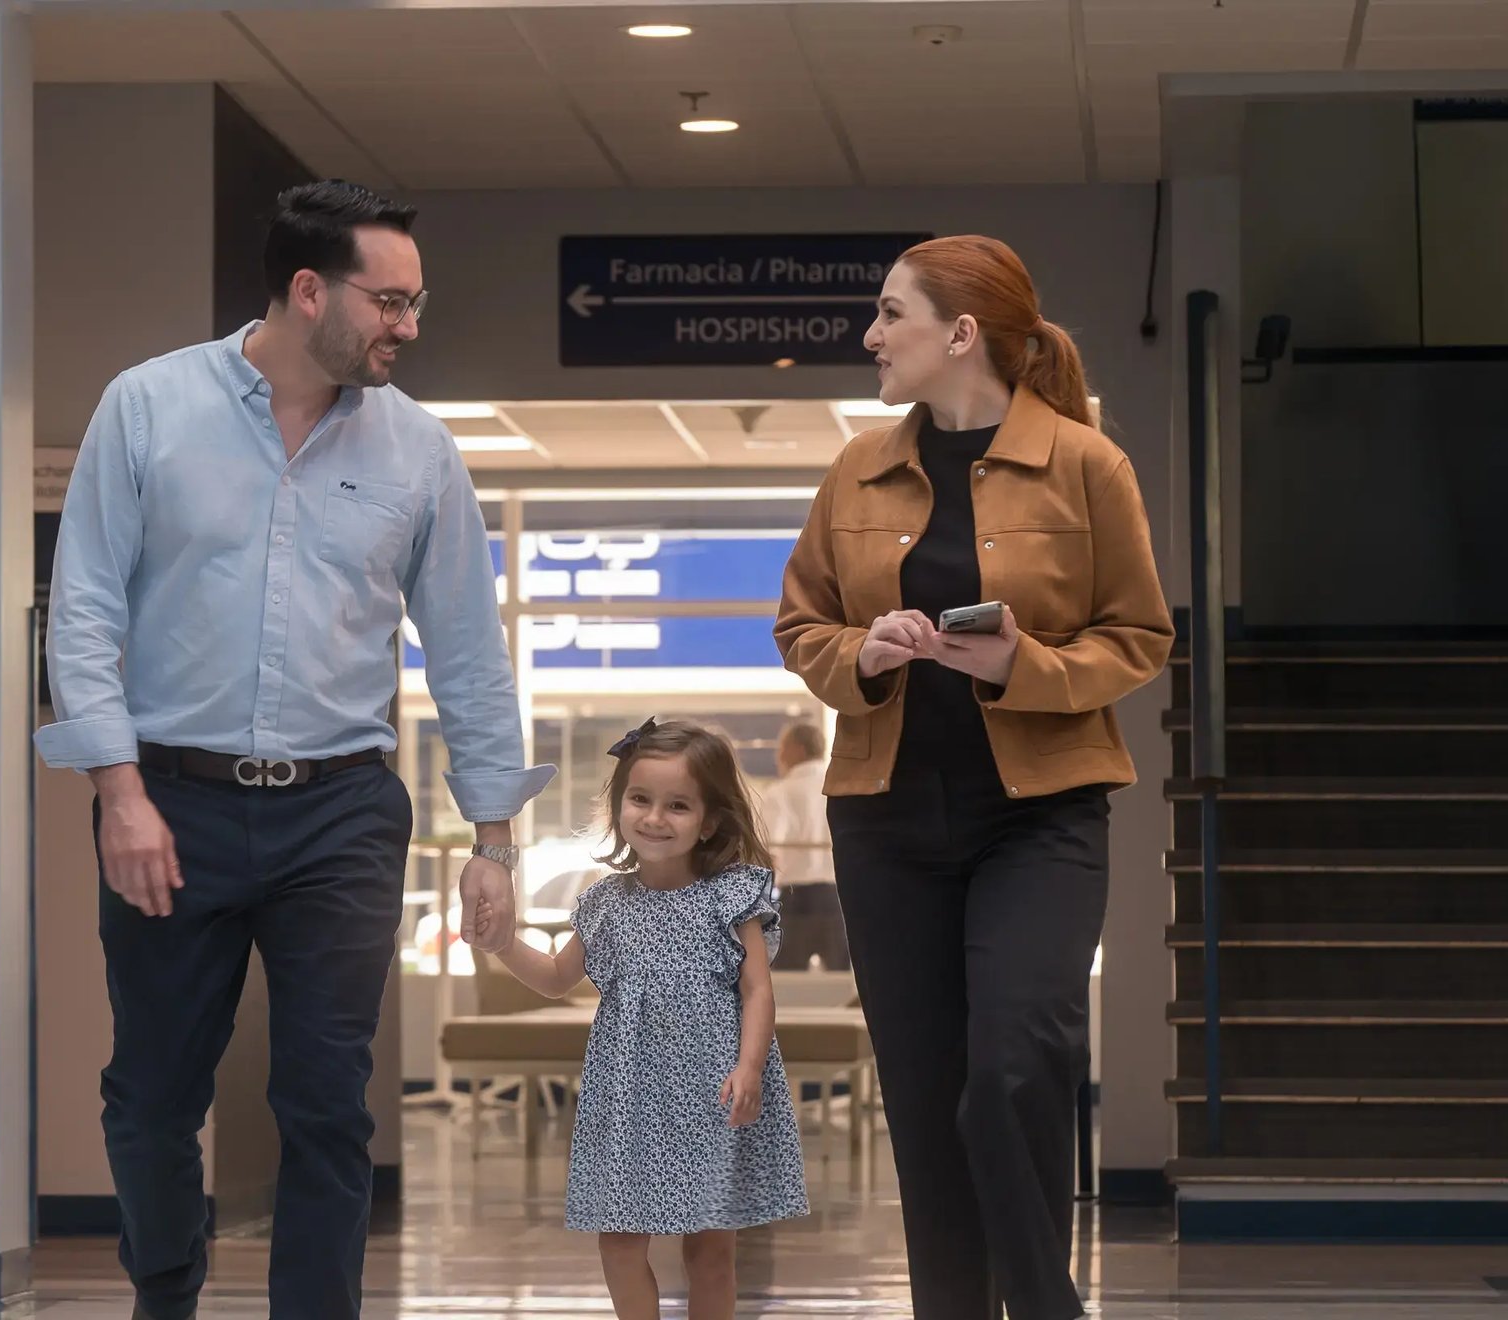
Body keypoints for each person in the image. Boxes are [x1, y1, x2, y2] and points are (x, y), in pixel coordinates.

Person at [36, 180, 555, 1320]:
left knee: (327, 1102)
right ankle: (164, 1293)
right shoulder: (148, 407)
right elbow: (80, 613)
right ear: (308, 288)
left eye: (417, 303)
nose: (407, 327)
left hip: (341, 813)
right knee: (151, 1096)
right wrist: (116, 793)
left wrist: (495, 840)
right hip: (172, 801)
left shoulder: (419, 451)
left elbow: (468, 651)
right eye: (390, 301)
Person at [775, 235, 1173, 1320]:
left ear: (959, 334)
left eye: (888, 314)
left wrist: (1020, 665)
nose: (869, 334)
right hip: (884, 821)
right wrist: (861, 652)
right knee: (925, 1096)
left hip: (1038, 818)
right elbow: (800, 622)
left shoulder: (1087, 463)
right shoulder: (855, 465)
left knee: (1009, 1067)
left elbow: (1137, 636)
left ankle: (1045, 1304)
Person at [477, 717, 809, 1320]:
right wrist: (502, 944)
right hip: (628, 1098)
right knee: (621, 1241)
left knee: (711, 1248)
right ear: (619, 804)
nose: (655, 817)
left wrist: (750, 1067)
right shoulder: (604, 901)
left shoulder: (733, 894)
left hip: (711, 1095)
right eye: (641, 799)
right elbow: (554, 977)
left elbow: (758, 991)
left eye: (678, 805)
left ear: (709, 820)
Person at [758, 719, 848, 971]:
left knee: (790, 981)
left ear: (797, 749)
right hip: (837, 896)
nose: (778, 757)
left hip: (796, 899)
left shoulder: (781, 792)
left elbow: (769, 850)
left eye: (781, 748)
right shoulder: (841, 786)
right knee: (842, 980)